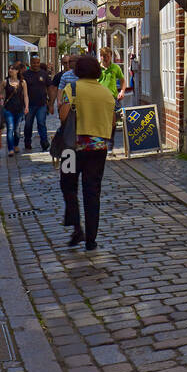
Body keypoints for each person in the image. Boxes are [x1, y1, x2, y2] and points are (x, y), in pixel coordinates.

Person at [57, 55, 116, 251]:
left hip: (70, 149)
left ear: (77, 71)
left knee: (67, 185)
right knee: (92, 191)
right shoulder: (107, 93)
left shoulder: (71, 89)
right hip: (98, 149)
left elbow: (63, 116)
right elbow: (112, 121)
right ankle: (91, 239)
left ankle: (76, 227)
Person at [21, 52, 52, 151]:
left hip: (41, 104)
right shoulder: (25, 74)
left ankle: (44, 142)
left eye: (37, 62)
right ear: (31, 63)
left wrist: (50, 102)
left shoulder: (44, 74)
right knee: (28, 124)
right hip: (29, 104)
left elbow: (49, 88)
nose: (36, 64)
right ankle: (27, 141)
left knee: (41, 123)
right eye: (34, 63)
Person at [1, 62, 26, 156]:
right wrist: (1, 101)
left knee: (17, 129)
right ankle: (10, 149)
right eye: (9, 69)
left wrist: (26, 106)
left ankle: (16, 145)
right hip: (8, 109)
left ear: (17, 71)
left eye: (13, 69)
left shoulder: (22, 82)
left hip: (19, 109)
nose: (10, 70)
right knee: (10, 128)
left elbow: (26, 96)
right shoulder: (5, 82)